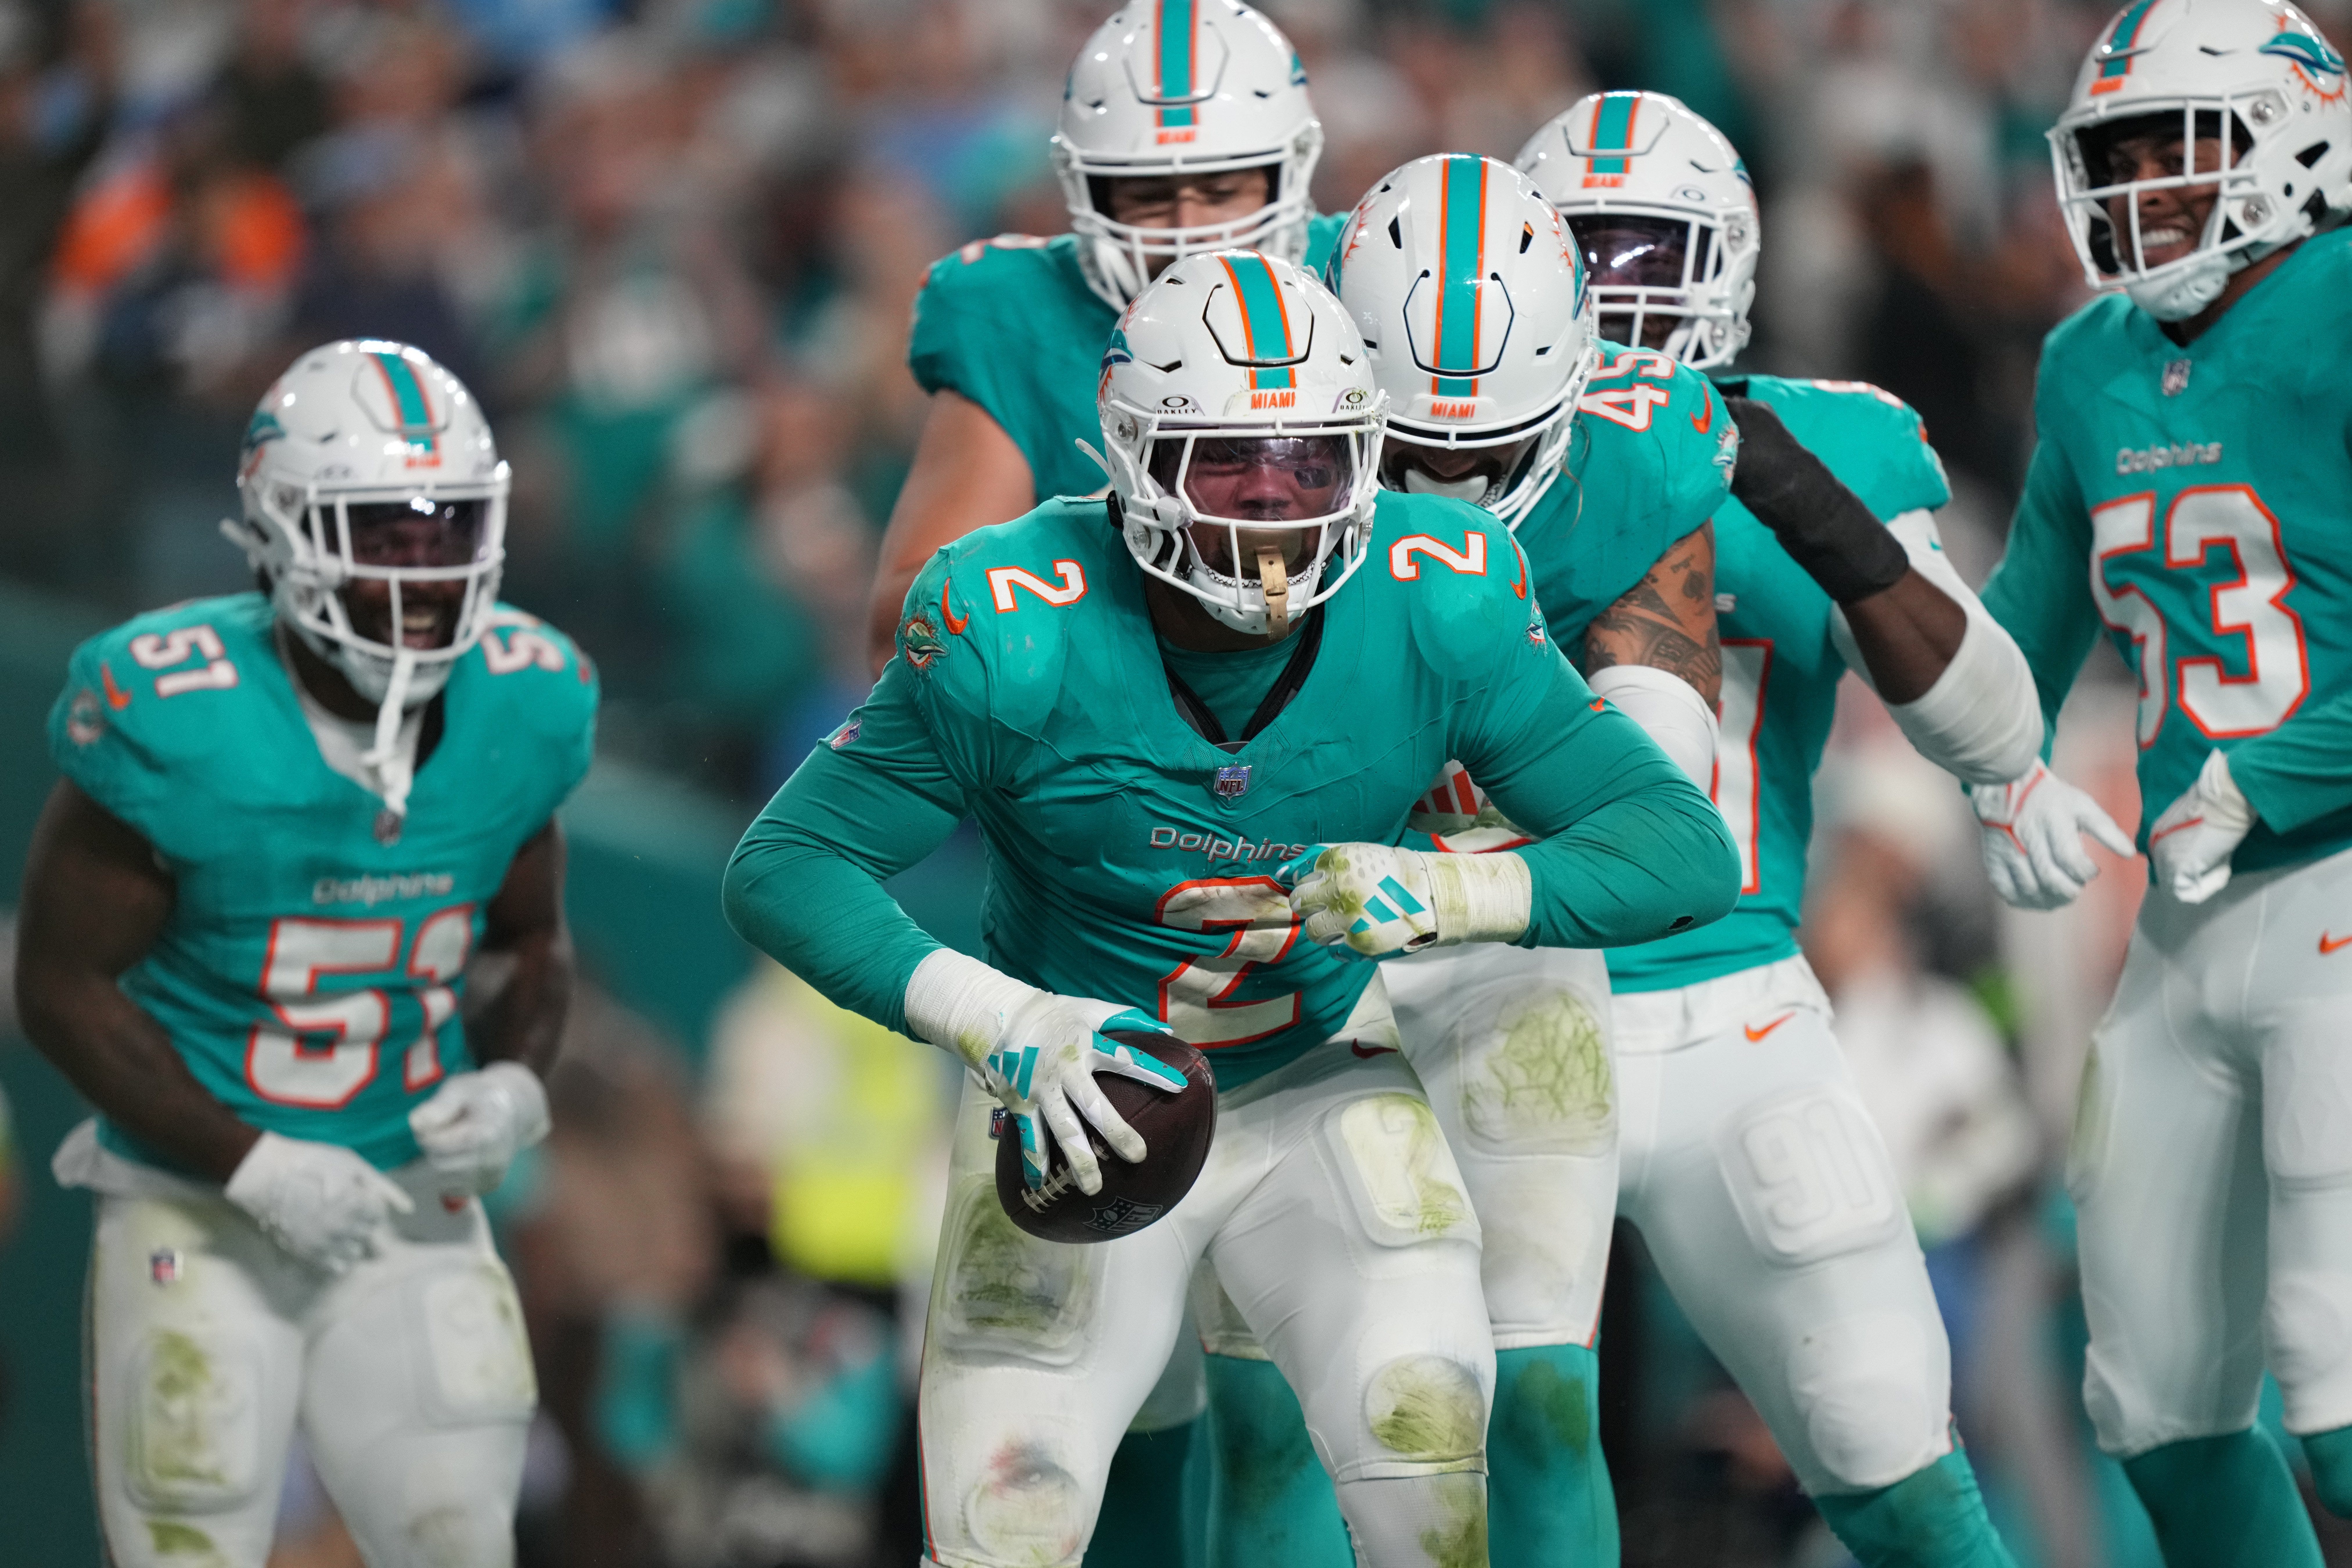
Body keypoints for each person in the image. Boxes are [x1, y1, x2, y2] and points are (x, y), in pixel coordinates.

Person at [724, 251, 1741, 1567]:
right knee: (1001, 1524)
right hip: (1077, 1102)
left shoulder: (1437, 595)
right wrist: (1001, 1018)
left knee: (1427, 1444)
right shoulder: (1011, 619)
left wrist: (1458, 889)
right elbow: (785, 864)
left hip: (1320, 1082)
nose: (1271, 494)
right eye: (1224, 461)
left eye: (1310, 460)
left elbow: (1680, 846)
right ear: (1133, 456)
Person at [1522, 92, 2046, 1566]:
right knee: (1494, 1435)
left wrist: (1794, 492)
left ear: (1730, 267)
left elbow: (1984, 715)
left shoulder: (1822, 440)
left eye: (1651, 252)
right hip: (1488, 1003)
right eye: (1581, 253)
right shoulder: (1412, 455)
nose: (1616, 292)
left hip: (1731, 1005)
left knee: (1888, 1439)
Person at [1196, 152, 1734, 1568]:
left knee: (1540, 1395)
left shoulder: (1637, 463)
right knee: (1267, 1409)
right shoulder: (1252, 426)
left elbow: (1657, 819)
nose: (1442, 488)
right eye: (1405, 452)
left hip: (1503, 943)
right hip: (1297, 937)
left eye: (1483, 455)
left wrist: (1455, 884)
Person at [14, 339, 596, 1568]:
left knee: (458, 1538)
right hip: (195, 1198)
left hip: (408, 1196)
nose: (427, 572)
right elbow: (59, 985)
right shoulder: (176, 712)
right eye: (383, 534)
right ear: (281, 530)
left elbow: (529, 942)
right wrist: (251, 1160)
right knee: (193, 1530)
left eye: (450, 529)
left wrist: (514, 1080)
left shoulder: (527, 699)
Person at [1966, 3, 2352, 1562]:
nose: (2138, 193)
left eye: (2174, 153)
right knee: (2153, 1413)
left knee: (2338, 1395)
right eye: (2115, 159)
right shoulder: (2087, 361)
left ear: (2295, 139)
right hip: (2183, 924)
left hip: (2336, 882)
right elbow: (2020, 624)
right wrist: (1995, 769)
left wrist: (2272, 774)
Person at [864, 0, 1341, 673]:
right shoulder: (1019, 312)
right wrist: (1120, 524)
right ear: (1086, 189)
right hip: (1108, 697)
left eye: (1221, 190)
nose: (1187, 229)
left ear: (1289, 173)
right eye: (1147, 196)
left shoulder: (1368, 278)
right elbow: (912, 635)